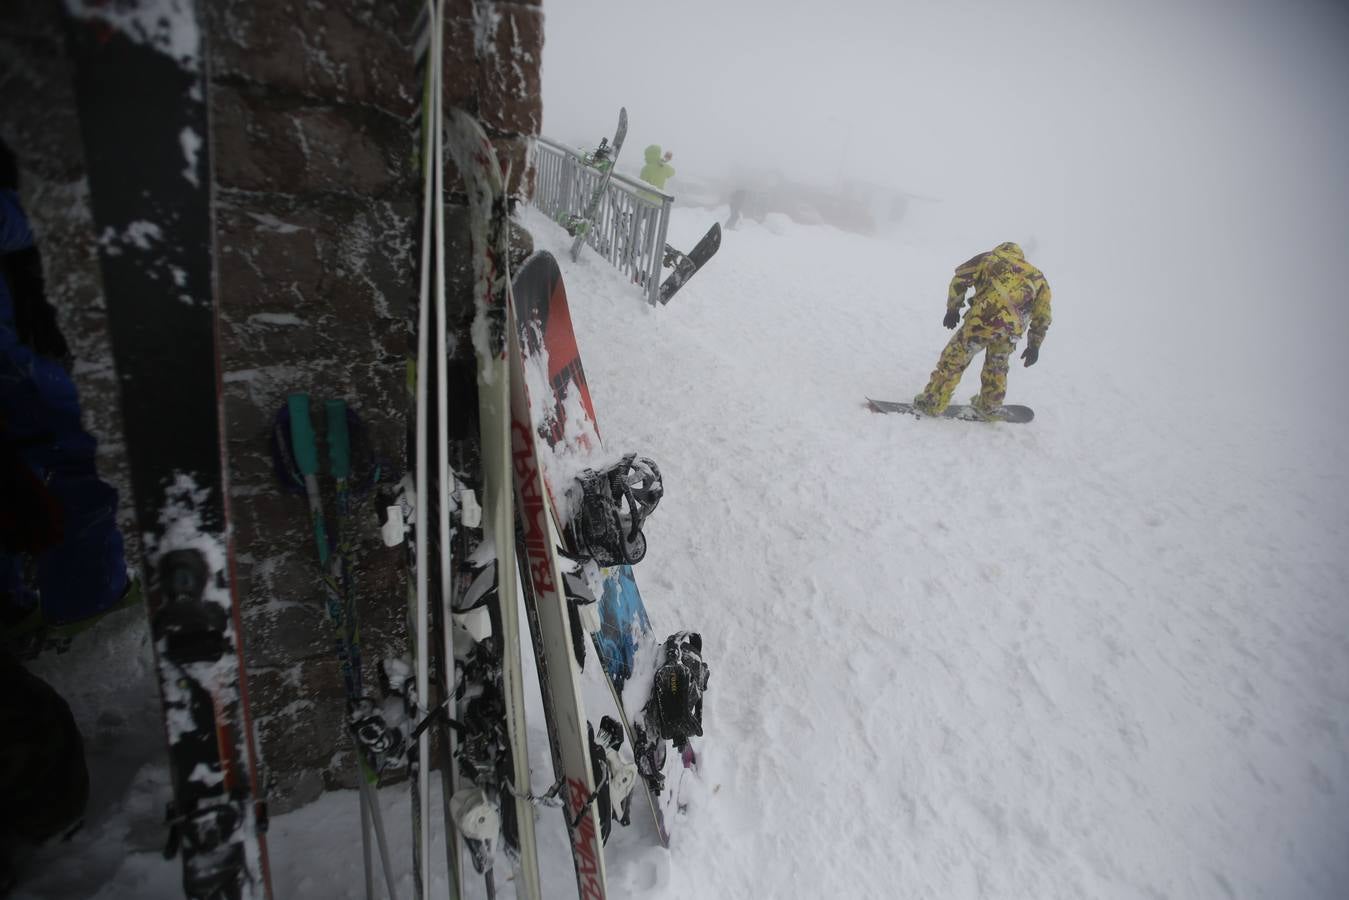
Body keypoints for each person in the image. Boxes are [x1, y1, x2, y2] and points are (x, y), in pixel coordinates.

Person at [913, 241, 1052, 418]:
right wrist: (1034, 345)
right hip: (1010, 332)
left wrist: (953, 309)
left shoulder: (989, 258)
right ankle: (990, 407)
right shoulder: (1038, 277)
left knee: (954, 358)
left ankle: (932, 402)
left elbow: (960, 279)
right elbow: (1043, 314)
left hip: (982, 322)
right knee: (997, 367)